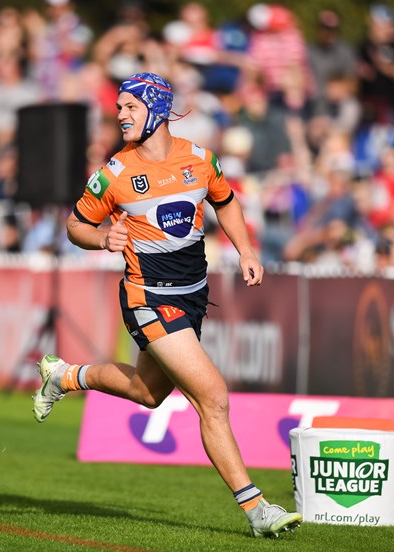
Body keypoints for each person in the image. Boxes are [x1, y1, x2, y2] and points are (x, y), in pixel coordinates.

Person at [31, 72, 302, 538]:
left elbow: (226, 201)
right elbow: (75, 225)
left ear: (156, 109)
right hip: (148, 297)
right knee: (213, 397)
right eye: (119, 107)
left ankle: (64, 376)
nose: (120, 115)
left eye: (130, 107)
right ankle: (258, 510)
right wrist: (102, 237)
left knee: (148, 393)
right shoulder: (114, 173)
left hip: (192, 295)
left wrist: (246, 250)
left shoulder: (200, 159)